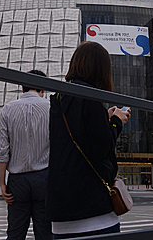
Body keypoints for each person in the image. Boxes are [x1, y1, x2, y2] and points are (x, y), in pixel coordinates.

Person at [47, 41, 130, 239]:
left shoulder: (59, 96)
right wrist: (117, 122)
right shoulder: (90, 97)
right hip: (93, 211)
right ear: (101, 69)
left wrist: (105, 120)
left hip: (60, 212)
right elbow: (102, 147)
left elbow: (79, 135)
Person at [0, 69, 52, 240]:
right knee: (44, 231)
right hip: (44, 178)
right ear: (43, 89)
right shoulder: (51, 109)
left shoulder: (7, 110)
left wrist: (2, 183)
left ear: (22, 89)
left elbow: (2, 151)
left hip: (17, 179)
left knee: (15, 231)